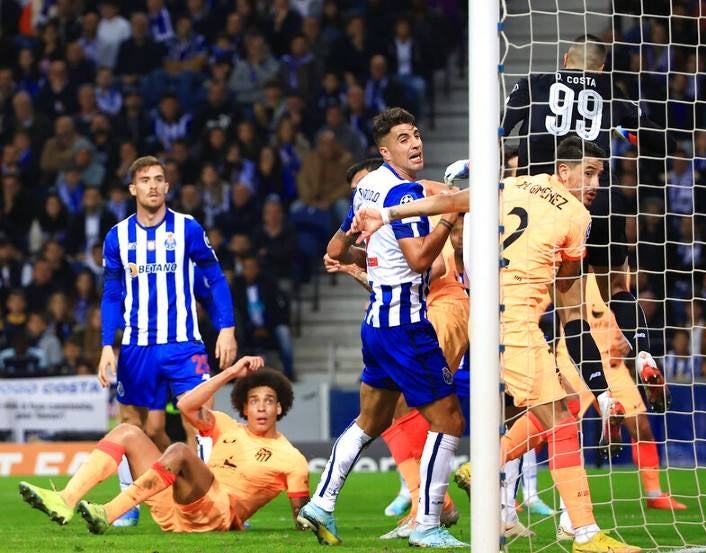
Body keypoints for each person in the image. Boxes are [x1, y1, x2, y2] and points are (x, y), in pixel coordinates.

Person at [353, 136, 640, 553]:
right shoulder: (577, 216)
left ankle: (485, 467)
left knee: (555, 411)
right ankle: (585, 533)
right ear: (563, 171)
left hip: (485, 314)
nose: (596, 182)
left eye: (600, 174)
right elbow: (570, 296)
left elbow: (452, 200)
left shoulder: (514, 185)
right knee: (561, 419)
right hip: (516, 322)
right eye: (589, 172)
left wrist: (388, 213)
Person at [502, 35, 683, 514]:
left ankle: (600, 396)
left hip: (551, 200)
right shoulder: (614, 96)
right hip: (602, 198)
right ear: (601, 69)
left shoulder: (533, 83)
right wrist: (624, 135)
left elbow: (508, 132)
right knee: (620, 283)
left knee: (570, 310)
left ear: (565, 61)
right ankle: (643, 349)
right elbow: (652, 132)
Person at [296, 108, 467, 548]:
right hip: (407, 325)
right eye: (404, 138)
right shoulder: (403, 191)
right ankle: (428, 524)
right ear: (384, 150)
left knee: (368, 421)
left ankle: (321, 503)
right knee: (447, 420)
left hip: (375, 323)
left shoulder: (367, 186)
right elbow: (420, 260)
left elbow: (336, 247)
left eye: (417, 134)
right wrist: (449, 217)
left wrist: (356, 254)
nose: (416, 143)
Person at [18, 356, 310, 533]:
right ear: (243, 408)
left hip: (216, 517)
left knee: (181, 451)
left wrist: (313, 523)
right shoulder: (225, 424)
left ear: (280, 409)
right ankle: (66, 499)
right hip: (178, 508)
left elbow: (302, 517)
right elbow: (186, 404)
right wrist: (232, 373)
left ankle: (108, 513)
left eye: (269, 401)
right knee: (127, 432)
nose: (261, 408)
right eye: (254, 401)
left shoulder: (291, 458)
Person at [98, 156, 238, 527]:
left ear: (167, 186)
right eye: (145, 180)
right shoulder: (118, 236)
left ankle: (215, 497)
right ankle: (130, 504)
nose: (153, 186)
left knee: (202, 420)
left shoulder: (188, 228)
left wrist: (227, 327)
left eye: (159, 179)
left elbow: (215, 277)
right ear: (133, 189)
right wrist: (105, 346)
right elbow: (112, 294)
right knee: (137, 423)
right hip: (137, 345)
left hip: (184, 344)